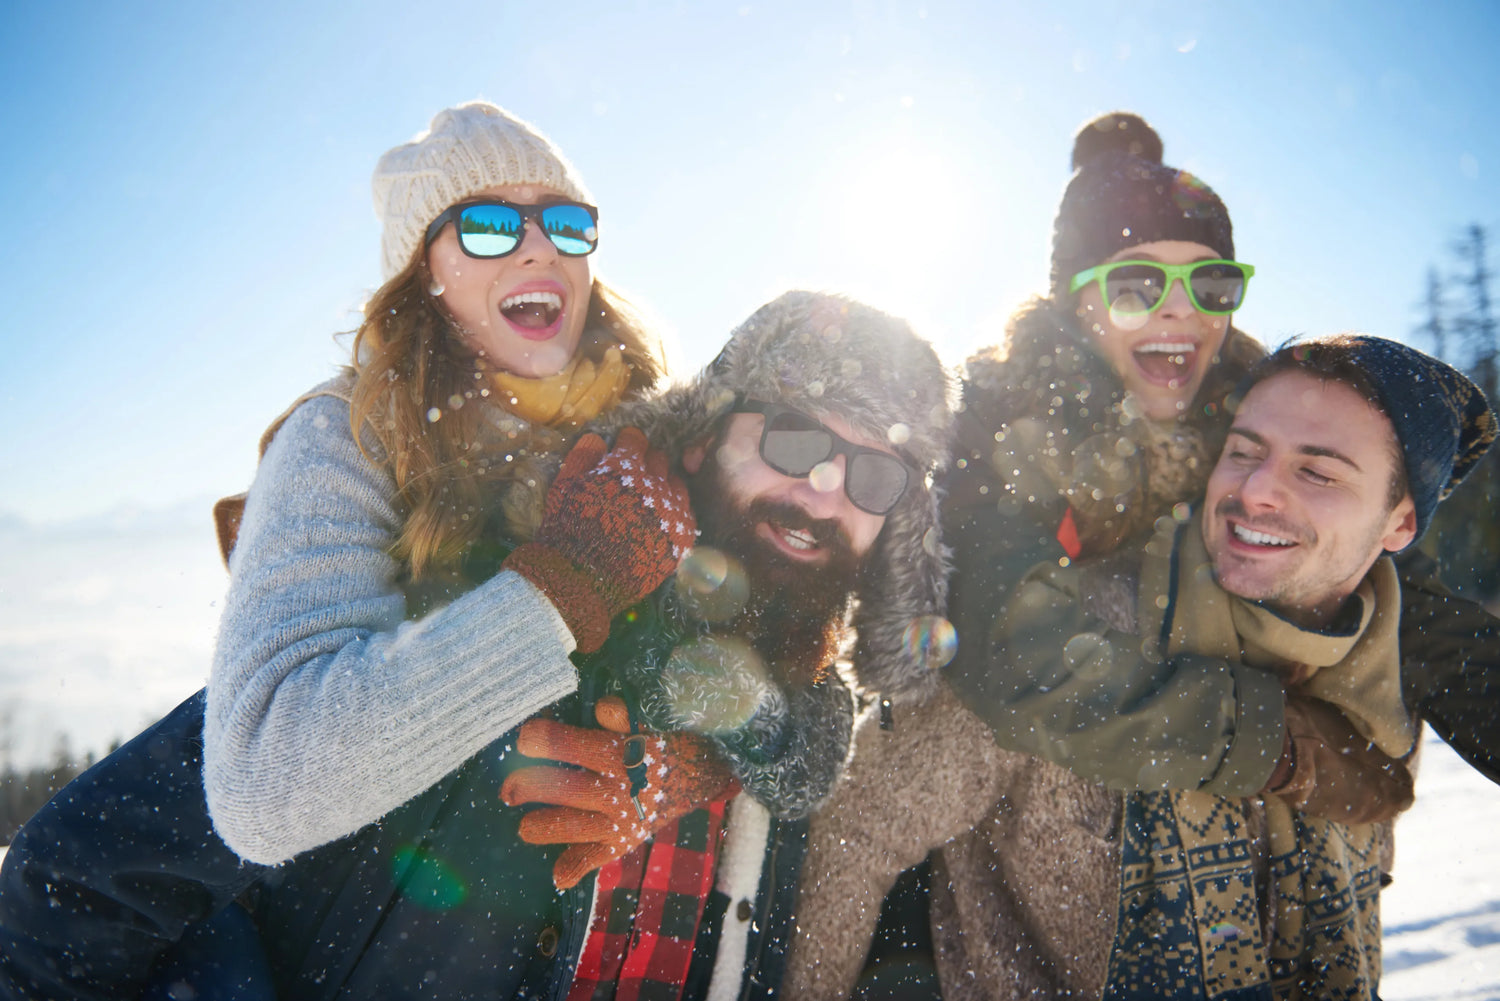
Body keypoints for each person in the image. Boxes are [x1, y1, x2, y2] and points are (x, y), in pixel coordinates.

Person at [0, 291, 954, 1001]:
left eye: (874, 475)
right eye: (795, 441)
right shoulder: (498, 615)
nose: (824, 491)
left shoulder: (807, 747)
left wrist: (720, 753)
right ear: (703, 436)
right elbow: (78, 876)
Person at [0, 98, 685, 996]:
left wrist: (701, 766)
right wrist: (562, 590)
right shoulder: (350, 438)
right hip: (241, 943)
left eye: (566, 223)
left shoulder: (654, 448)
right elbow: (262, 788)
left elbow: (805, 658)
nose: (537, 248)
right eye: (487, 225)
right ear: (423, 274)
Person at [932, 334, 1493, 1000]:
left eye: (1318, 472)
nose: (1256, 490)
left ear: (1398, 526)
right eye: (1244, 451)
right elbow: (865, 833)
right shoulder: (1095, 621)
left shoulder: (1385, 664)